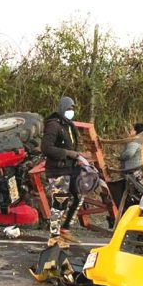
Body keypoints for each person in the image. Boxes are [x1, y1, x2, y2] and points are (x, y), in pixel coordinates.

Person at [41, 95, 87, 240]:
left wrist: (77, 158)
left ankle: (65, 229)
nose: (71, 111)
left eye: (72, 109)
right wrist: (68, 153)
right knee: (59, 203)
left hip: (71, 169)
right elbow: (46, 148)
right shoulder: (54, 125)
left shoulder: (69, 125)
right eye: (68, 108)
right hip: (57, 170)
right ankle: (54, 237)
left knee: (79, 196)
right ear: (62, 109)